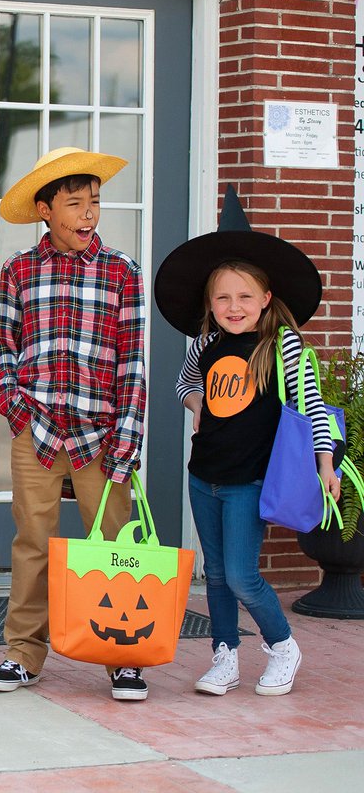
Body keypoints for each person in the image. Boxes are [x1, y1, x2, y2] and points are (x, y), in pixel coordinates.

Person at [156, 186, 336, 697]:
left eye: (244, 297)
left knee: (240, 575)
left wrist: (326, 465)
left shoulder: (284, 344)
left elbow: (311, 410)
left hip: (250, 479)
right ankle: (225, 655)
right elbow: (185, 384)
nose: (234, 307)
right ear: (210, 304)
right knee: (214, 574)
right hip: (204, 474)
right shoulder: (208, 342)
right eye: (223, 297)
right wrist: (197, 407)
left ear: (266, 299)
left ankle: (282, 645)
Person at [0, 147, 149, 700]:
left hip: (102, 433)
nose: (87, 215)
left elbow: (132, 362)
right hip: (39, 430)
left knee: (109, 543)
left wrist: (127, 436)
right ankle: (23, 654)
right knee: (33, 539)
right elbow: (2, 346)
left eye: (94, 203)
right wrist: (17, 408)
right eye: (74, 204)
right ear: (44, 211)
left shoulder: (122, 272)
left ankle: (122, 655)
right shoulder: (19, 270)